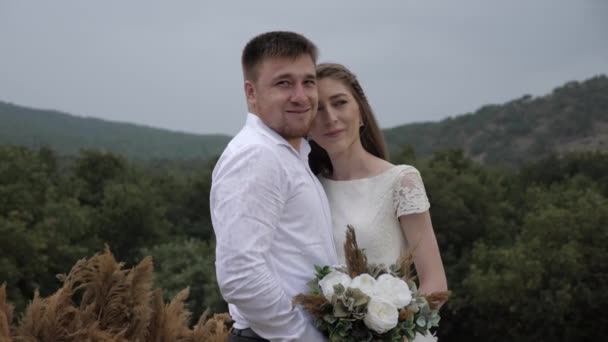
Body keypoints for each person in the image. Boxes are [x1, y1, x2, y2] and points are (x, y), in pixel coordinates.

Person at [210, 32, 338, 342]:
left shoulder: (293, 154)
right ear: (251, 93)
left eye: (308, 82)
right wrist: (306, 337)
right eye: (284, 83)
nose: (301, 96)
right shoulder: (257, 155)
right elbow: (240, 274)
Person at [308, 63, 448, 341]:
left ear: (360, 113)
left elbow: (434, 283)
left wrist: (394, 331)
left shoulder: (401, 181)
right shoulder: (310, 189)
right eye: (318, 109)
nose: (330, 117)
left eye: (340, 103)